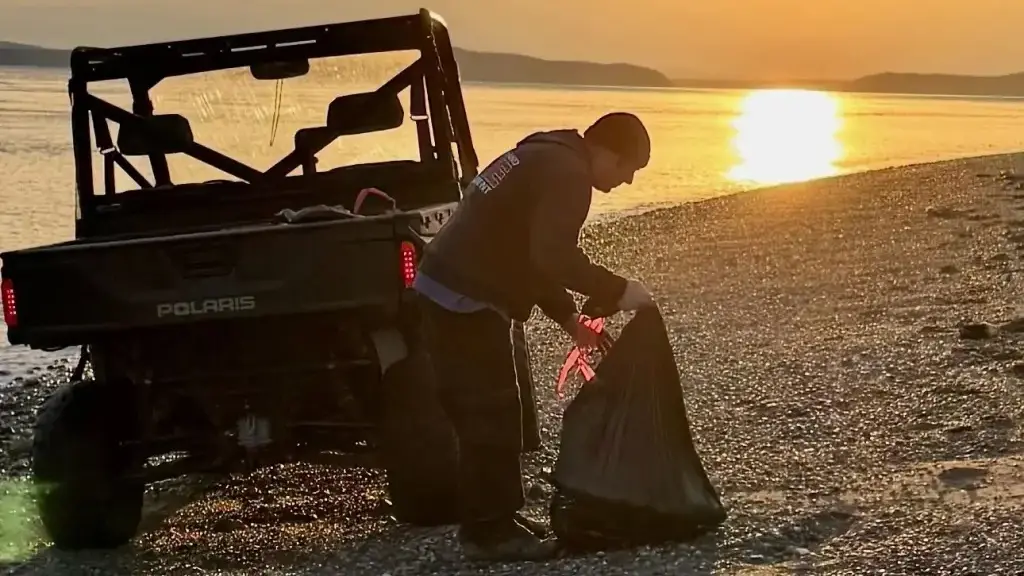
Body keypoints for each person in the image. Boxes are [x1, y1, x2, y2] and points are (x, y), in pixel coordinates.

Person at [412, 112, 656, 561]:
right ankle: (489, 535)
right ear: (607, 152)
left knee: (494, 409)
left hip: (446, 285)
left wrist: (569, 318)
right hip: (462, 297)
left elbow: (528, 254)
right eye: (628, 169)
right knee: (490, 412)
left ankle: (497, 517)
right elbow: (552, 257)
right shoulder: (568, 174)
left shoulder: (545, 155)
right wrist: (618, 289)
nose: (627, 182)